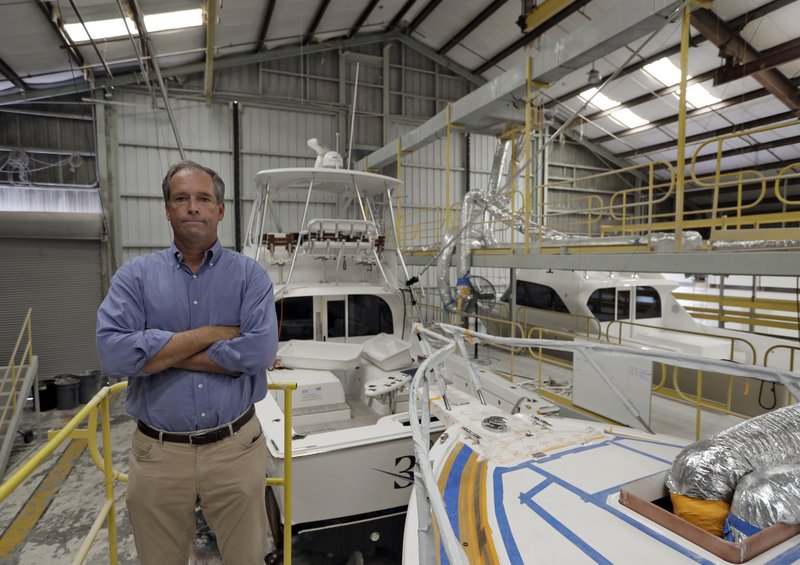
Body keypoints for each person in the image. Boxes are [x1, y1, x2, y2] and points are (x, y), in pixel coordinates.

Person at [96, 161, 278, 565]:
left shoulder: (251, 277)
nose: (192, 207)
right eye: (181, 198)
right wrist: (213, 333)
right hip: (158, 454)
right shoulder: (134, 278)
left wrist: (158, 355)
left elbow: (258, 354)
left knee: (247, 557)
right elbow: (113, 354)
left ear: (220, 209)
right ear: (167, 209)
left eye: (203, 198)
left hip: (237, 448)